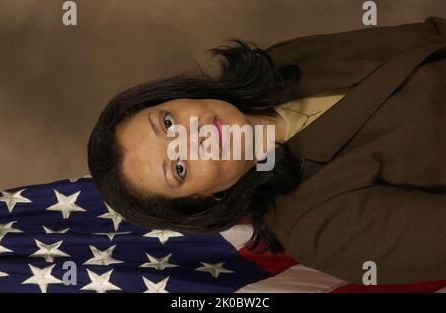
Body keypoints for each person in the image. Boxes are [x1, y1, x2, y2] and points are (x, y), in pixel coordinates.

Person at [87, 16, 446, 284]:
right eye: (179, 168)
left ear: (177, 96)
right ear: (205, 198)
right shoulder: (315, 229)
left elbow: (429, 36)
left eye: (167, 123)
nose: (193, 138)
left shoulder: (280, 63)